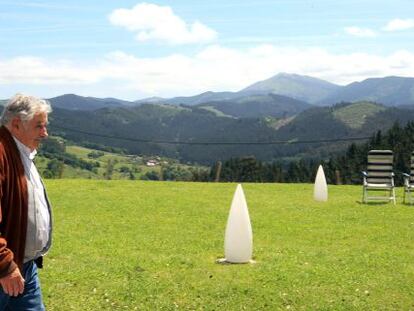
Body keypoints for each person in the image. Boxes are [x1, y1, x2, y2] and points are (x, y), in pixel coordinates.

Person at [0, 94, 52, 310]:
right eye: (39, 126)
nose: (45, 133)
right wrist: (4, 264)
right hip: (5, 270)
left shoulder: (21, 151)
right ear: (16, 124)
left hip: (24, 267)